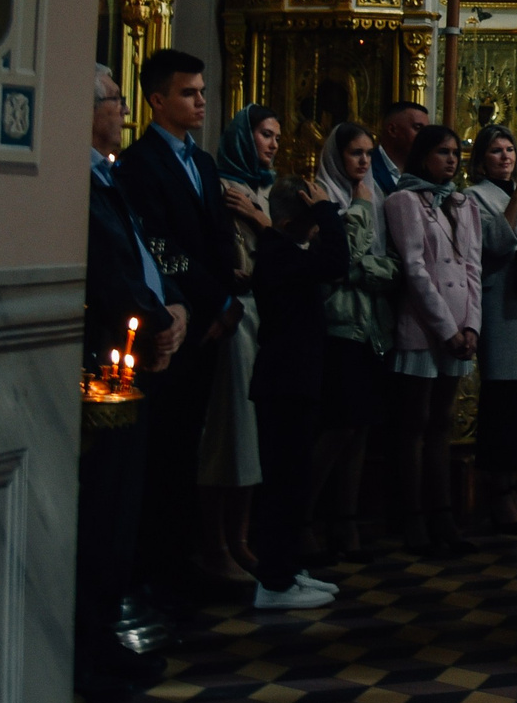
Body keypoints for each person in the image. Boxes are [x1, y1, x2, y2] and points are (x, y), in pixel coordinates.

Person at [117, 49, 240, 600]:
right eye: (188, 93)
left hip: (209, 319)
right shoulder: (140, 162)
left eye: (202, 92)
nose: (199, 102)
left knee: (192, 446)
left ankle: (184, 560)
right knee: (165, 450)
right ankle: (158, 571)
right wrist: (206, 305)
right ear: (156, 99)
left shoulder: (205, 162)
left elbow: (217, 239)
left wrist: (220, 307)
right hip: (176, 323)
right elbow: (160, 245)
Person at [79, 65, 182, 700]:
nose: (123, 110)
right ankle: (90, 647)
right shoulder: (80, 182)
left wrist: (174, 305)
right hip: (104, 366)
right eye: (115, 100)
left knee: (123, 511)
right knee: (102, 514)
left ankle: (104, 636)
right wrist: (155, 317)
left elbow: (147, 254)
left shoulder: (106, 175)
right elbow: (111, 275)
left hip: (136, 354)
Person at [245, 175, 352, 611]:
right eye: (309, 220)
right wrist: (328, 212)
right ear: (290, 220)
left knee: (292, 480)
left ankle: (284, 570)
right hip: (284, 384)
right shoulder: (279, 253)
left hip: (291, 382)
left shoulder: (281, 250)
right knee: (284, 484)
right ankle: (274, 581)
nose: (315, 228)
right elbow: (336, 262)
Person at [382, 124, 481, 555]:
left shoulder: (462, 202)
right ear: (424, 156)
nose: (452, 159)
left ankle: (444, 515)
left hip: (461, 326)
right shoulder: (404, 200)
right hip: (424, 327)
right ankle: (413, 516)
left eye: (456, 152)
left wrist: (473, 326)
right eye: (443, 152)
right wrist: (447, 328)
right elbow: (416, 269)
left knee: (442, 423)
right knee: (415, 423)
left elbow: (473, 268)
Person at [200, 105, 279, 586]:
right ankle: (214, 544)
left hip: (264, 313)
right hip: (235, 313)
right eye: (264, 135)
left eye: (275, 136)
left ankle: (241, 537)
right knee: (228, 433)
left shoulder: (267, 189)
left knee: (253, 434)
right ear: (242, 137)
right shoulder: (221, 188)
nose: (272, 144)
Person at [312, 122, 396, 560]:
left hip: (372, 327)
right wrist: (360, 211)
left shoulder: (374, 197)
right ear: (336, 157)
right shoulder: (323, 196)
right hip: (339, 324)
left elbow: (389, 266)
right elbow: (341, 262)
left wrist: (371, 270)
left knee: (360, 427)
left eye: (368, 153)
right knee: (337, 426)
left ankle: (346, 519)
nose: (364, 161)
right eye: (355, 153)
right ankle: (304, 516)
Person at [466, 125, 517, 534]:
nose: (506, 156)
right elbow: (495, 242)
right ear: (481, 160)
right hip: (498, 305)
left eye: (510, 149)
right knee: (502, 397)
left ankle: (516, 482)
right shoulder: (474, 198)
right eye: (496, 151)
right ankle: (497, 488)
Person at [372, 100, 427, 196]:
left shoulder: (424, 172)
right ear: (392, 130)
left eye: (426, 131)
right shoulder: (366, 166)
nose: (425, 136)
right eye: (418, 128)